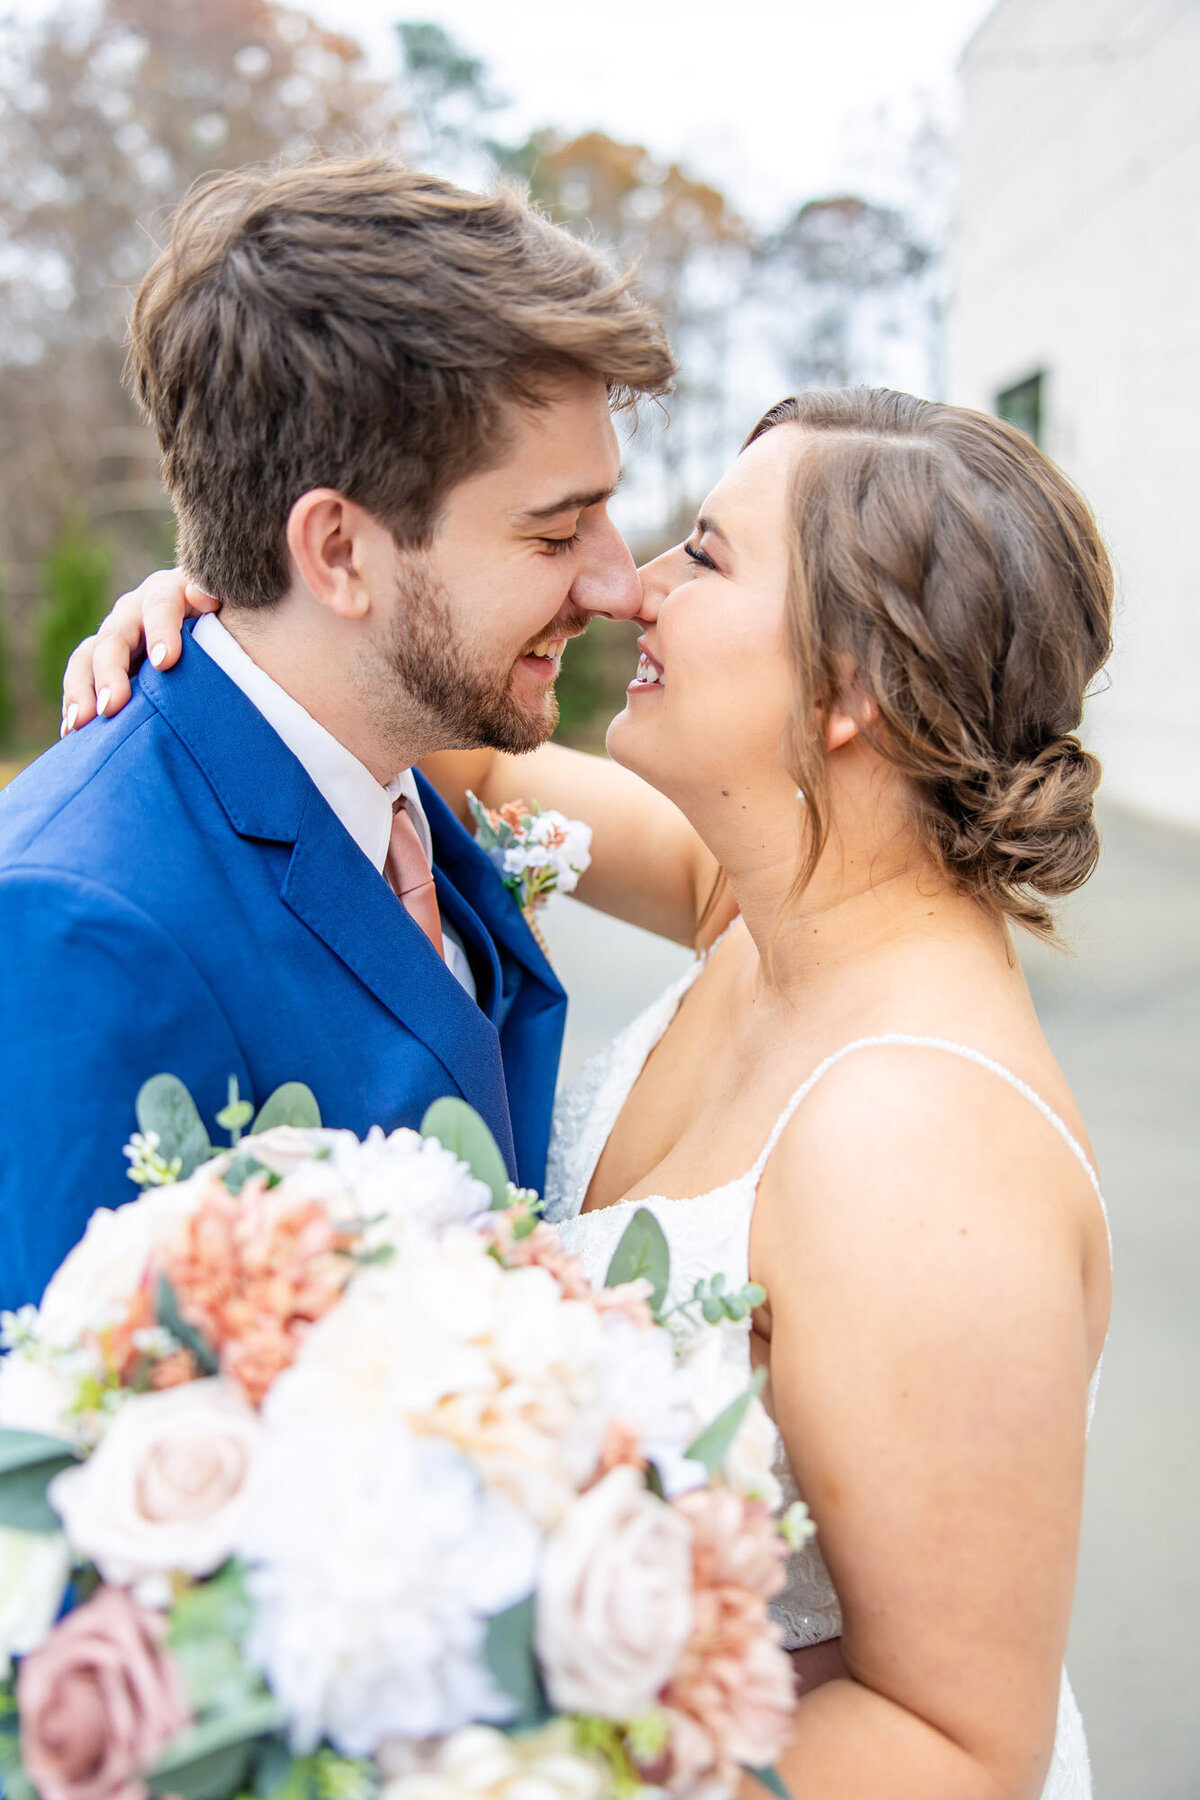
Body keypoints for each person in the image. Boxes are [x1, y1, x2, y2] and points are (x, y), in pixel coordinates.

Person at [77, 386, 1112, 1797]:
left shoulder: (924, 1153)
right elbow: (460, 734)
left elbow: (958, 1749)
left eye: (706, 553)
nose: (633, 588)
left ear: (854, 683)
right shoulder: (753, 913)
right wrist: (240, 613)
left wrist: (488, 1763)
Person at [0, 152, 674, 1311]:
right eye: (556, 534)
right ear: (340, 553)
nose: (618, 585)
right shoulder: (80, 924)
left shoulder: (404, 768)